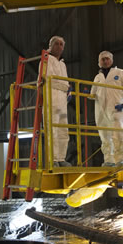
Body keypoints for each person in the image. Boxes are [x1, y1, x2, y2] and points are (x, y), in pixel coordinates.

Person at [91, 51, 123, 167]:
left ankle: (120, 160)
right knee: (104, 135)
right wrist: (88, 93)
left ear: (111, 60)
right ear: (99, 62)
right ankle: (108, 160)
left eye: (107, 59)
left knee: (118, 134)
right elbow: (93, 94)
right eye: (103, 59)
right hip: (100, 110)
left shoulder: (120, 73)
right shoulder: (97, 77)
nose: (105, 61)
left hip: (116, 108)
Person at [42, 36, 71, 167]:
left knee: (63, 130)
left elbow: (65, 82)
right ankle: (52, 159)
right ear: (51, 45)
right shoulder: (46, 60)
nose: (59, 47)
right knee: (52, 130)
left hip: (62, 102)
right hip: (51, 100)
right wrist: (66, 87)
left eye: (61, 44)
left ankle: (60, 158)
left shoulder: (62, 64)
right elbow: (50, 79)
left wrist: (68, 90)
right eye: (56, 44)